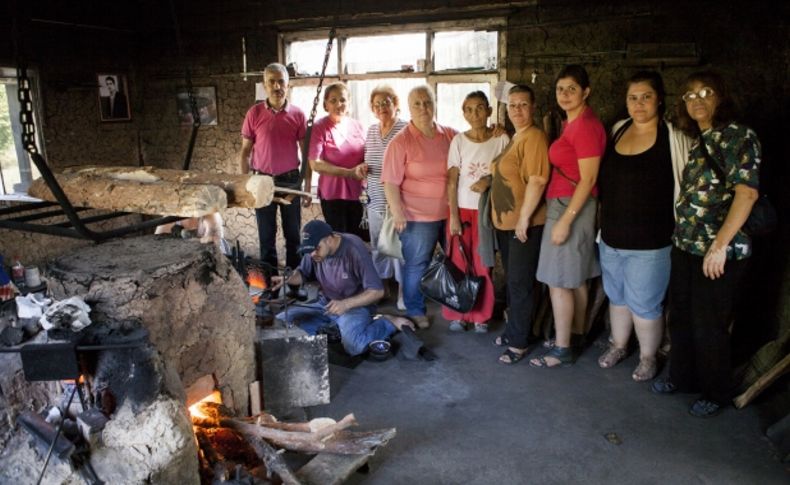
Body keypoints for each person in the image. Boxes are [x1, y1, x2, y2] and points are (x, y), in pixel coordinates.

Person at [652, 71, 761, 418]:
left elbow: (747, 193)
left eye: (706, 92)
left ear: (721, 97)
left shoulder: (738, 136)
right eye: (690, 95)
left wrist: (719, 246)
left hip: (718, 251)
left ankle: (716, 392)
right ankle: (683, 378)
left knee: (709, 322)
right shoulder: (701, 139)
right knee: (681, 317)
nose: (697, 99)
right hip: (686, 245)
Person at [596, 71, 692, 381]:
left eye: (646, 97)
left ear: (659, 99)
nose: (639, 104)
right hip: (611, 237)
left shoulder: (675, 137)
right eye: (633, 98)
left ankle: (649, 357)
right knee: (618, 296)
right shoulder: (617, 130)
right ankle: (619, 345)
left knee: (646, 303)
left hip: (651, 242)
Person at [530, 65, 606, 368]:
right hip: (571, 204)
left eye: (571, 88)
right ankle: (574, 337)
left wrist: (564, 219)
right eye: (561, 89)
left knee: (558, 281)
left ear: (586, 91)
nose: (564, 94)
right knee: (575, 280)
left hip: (571, 206)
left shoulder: (586, 126)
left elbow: (588, 180)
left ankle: (562, 349)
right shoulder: (573, 123)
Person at [271, 220, 415, 356]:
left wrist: (346, 304)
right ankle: (335, 327)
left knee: (355, 345)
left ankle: (387, 322)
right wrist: (288, 278)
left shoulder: (354, 248)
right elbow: (302, 274)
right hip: (326, 305)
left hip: (355, 307)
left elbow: (377, 291)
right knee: (281, 322)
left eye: (316, 249)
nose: (313, 254)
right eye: (310, 251)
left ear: (329, 239)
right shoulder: (314, 252)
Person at [480, 85, 550, 363]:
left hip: (525, 224)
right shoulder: (515, 137)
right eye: (512, 105)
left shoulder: (534, 137)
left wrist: (524, 218)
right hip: (507, 225)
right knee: (514, 281)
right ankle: (517, 330)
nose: (517, 110)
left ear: (533, 107)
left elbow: (537, 179)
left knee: (520, 283)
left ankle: (519, 342)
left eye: (523, 104)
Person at [382, 85, 458, 329]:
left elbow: (474, 144)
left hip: (450, 214)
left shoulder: (450, 135)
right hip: (416, 217)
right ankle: (415, 310)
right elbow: (390, 182)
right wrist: (397, 212)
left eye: (427, 102)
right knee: (417, 265)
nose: (424, 108)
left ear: (435, 104)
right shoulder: (401, 141)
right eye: (417, 104)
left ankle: (455, 307)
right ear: (409, 108)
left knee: (454, 262)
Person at [445, 91, 509, 334]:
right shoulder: (459, 141)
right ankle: (460, 313)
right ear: (463, 113)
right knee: (459, 262)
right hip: (461, 209)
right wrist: (453, 215)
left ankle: (481, 315)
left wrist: (490, 179)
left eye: (480, 108)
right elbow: (452, 180)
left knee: (484, 264)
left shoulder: (500, 139)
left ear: (490, 111)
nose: (475, 114)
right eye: (469, 109)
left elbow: (508, 173)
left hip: (487, 211)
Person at [240, 62, 310, 271]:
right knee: (266, 237)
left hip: (290, 181)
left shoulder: (298, 114)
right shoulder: (254, 113)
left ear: (288, 85)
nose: (277, 86)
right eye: (272, 82)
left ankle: (295, 285)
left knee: (293, 236)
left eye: (281, 81)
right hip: (261, 181)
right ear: (264, 85)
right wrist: (245, 186)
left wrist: (306, 188)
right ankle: (269, 285)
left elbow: (306, 156)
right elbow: (244, 153)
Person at [364, 85, 408, 310]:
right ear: (372, 109)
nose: (382, 107)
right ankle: (382, 289)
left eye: (386, 102)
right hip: (374, 201)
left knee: (398, 251)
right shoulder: (371, 130)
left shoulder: (405, 129)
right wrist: (362, 167)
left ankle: (402, 292)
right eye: (377, 104)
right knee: (378, 249)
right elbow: (369, 160)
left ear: (395, 104)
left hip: (397, 203)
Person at [309, 82, 368, 239]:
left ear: (348, 103)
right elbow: (315, 164)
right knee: (339, 240)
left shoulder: (359, 127)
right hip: (333, 195)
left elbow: (366, 157)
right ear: (325, 105)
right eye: (333, 100)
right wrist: (349, 173)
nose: (338, 104)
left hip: (357, 194)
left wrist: (363, 168)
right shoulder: (319, 127)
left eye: (342, 100)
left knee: (357, 240)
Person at [155, 213, 231, 255]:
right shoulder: (169, 218)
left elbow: (215, 242)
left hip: (209, 251)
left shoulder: (210, 215)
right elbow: (157, 246)